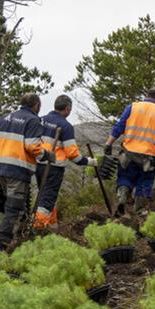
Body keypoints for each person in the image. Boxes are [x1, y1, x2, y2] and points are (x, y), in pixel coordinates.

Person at [0, 92, 52, 248]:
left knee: (12, 206)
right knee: (14, 208)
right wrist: (48, 155)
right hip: (17, 170)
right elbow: (32, 146)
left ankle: (18, 238)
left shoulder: (4, 119)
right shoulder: (33, 120)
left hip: (0, 169)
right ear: (36, 105)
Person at [104, 88, 155, 216]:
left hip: (129, 153)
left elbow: (119, 127)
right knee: (144, 182)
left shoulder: (132, 107)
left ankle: (122, 196)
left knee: (125, 177)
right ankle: (138, 211)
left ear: (146, 96)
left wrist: (108, 143)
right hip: (149, 157)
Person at [33, 94, 90, 230]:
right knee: (47, 198)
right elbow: (73, 155)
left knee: (47, 195)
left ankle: (52, 226)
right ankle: (38, 228)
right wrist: (87, 161)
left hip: (38, 164)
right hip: (54, 167)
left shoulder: (40, 120)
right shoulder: (66, 126)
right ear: (67, 109)